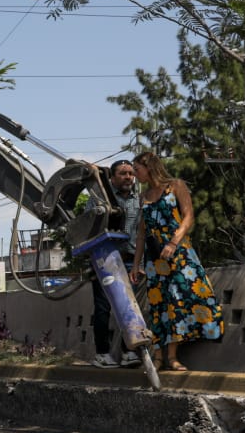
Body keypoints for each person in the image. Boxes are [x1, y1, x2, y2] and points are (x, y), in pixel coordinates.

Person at [129, 151, 222, 371]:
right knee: (158, 305)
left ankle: (172, 357)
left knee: (179, 301)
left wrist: (173, 242)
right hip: (154, 258)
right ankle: (158, 357)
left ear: (149, 167)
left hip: (178, 253)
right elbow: (141, 233)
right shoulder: (143, 197)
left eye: (137, 170)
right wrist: (136, 263)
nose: (135, 175)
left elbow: (188, 217)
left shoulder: (176, 186)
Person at [89, 159, 142, 367]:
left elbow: (141, 233)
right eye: (123, 173)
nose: (128, 177)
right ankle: (102, 353)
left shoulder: (139, 199)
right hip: (106, 260)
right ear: (112, 178)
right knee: (104, 308)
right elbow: (88, 226)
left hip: (130, 261)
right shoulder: (100, 199)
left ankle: (129, 352)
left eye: (131, 173)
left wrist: (139, 263)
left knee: (129, 307)